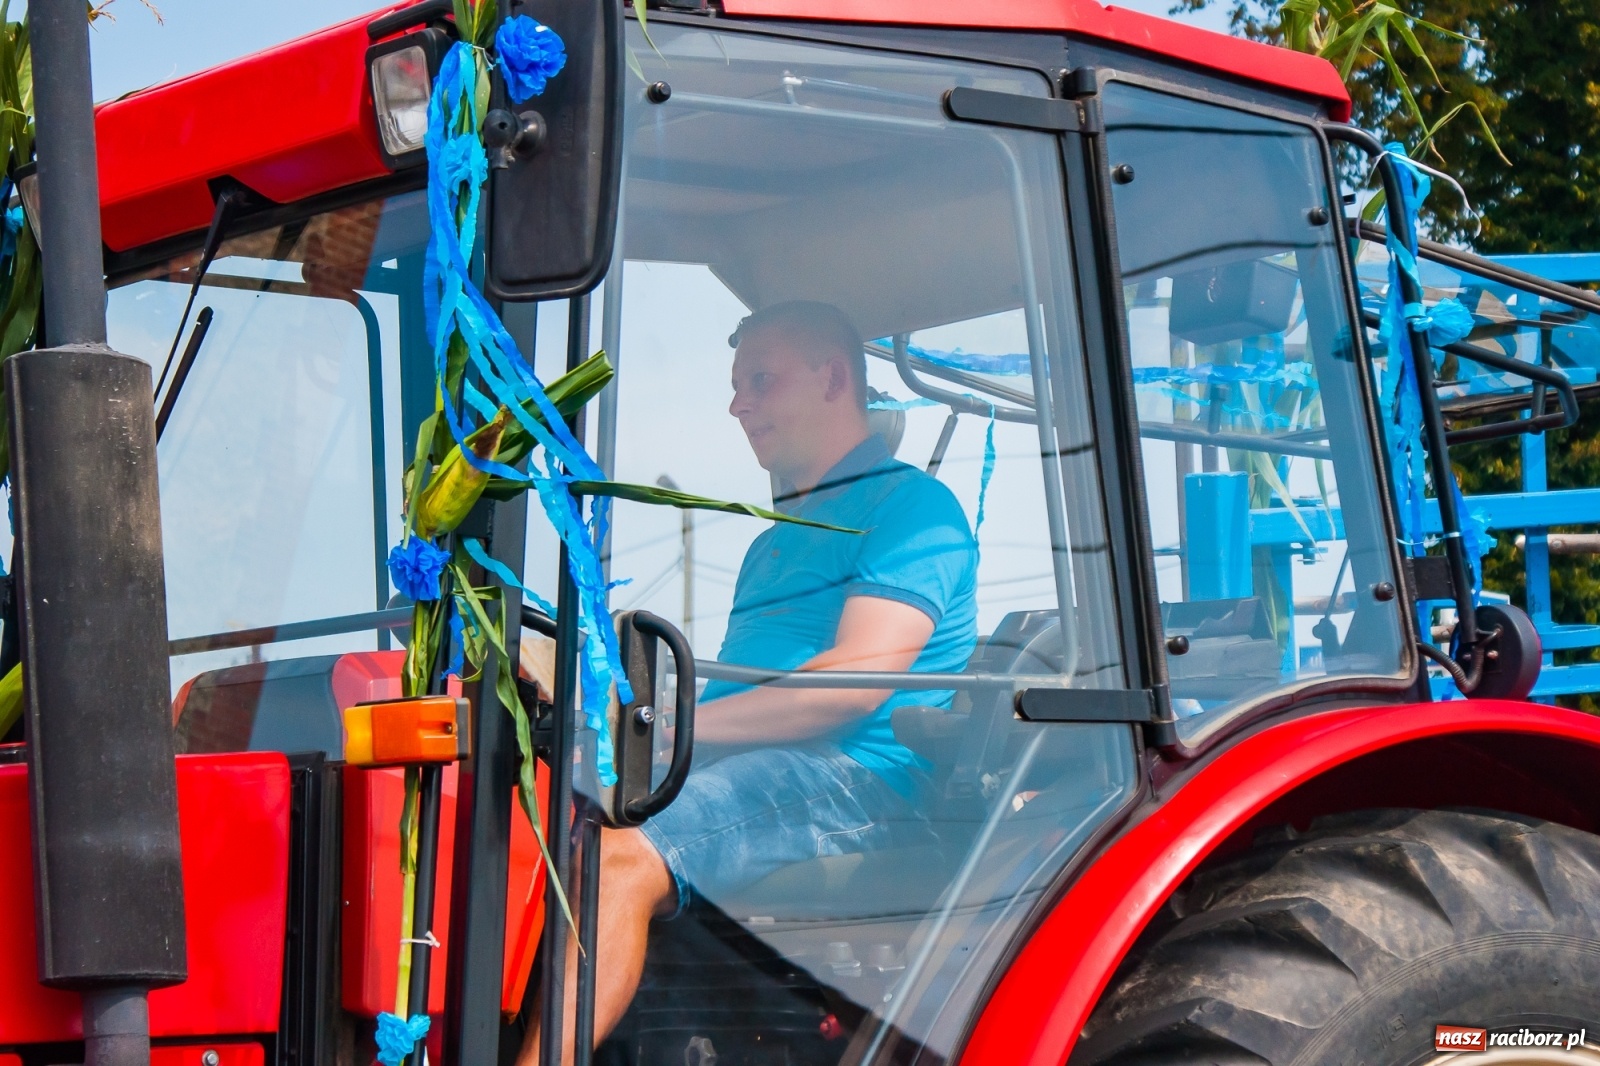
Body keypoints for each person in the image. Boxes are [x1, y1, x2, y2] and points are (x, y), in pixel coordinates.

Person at [518, 301, 979, 1064]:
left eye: (760, 381)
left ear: (834, 379)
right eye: (737, 387)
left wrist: (670, 733)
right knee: (529, 820)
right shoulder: (776, 544)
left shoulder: (911, 508)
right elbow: (737, 699)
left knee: (618, 857)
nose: (739, 405)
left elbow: (850, 687)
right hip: (758, 766)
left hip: (859, 782)